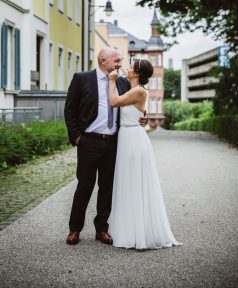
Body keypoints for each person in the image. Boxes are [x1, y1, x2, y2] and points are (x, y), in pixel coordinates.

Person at [64, 47, 147, 245]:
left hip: (112, 142)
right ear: (103, 60)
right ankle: (74, 229)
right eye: (116, 60)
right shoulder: (82, 78)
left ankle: (102, 229)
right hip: (88, 141)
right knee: (85, 185)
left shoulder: (123, 82)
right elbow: (70, 109)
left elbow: (134, 104)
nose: (120, 63)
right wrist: (76, 137)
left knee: (107, 186)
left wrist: (143, 117)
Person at [107, 58, 181, 249]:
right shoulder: (134, 90)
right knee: (129, 183)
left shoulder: (139, 90)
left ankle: (139, 233)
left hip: (133, 139)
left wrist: (111, 81)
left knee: (135, 183)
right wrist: (145, 116)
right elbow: (136, 111)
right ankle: (131, 230)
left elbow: (114, 101)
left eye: (131, 67)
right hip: (127, 136)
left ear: (137, 73)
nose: (127, 68)